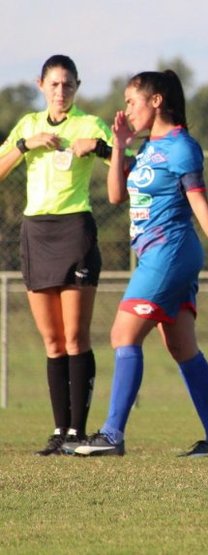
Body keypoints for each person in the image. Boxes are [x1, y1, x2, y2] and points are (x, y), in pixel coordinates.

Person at [74, 69, 208, 457]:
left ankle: (112, 434)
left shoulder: (181, 146)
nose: (127, 109)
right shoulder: (147, 148)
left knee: (123, 335)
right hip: (158, 255)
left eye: (132, 101)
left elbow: (200, 203)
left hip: (171, 252)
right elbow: (116, 195)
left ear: (157, 101)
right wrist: (117, 146)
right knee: (182, 347)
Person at [0, 55, 113, 455]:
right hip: (36, 232)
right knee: (51, 341)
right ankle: (59, 430)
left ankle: (78, 434)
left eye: (67, 85)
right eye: (54, 84)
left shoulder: (88, 124)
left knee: (74, 336)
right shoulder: (28, 125)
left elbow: (128, 165)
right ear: (40, 85)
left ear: (77, 87)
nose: (60, 92)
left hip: (74, 230)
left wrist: (99, 147)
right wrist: (22, 145)